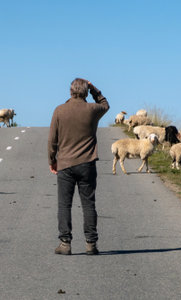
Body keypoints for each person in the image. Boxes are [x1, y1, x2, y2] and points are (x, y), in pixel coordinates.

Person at [47, 78, 109, 255]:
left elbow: (52, 139)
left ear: (70, 91)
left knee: (64, 204)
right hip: (87, 164)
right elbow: (105, 104)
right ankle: (91, 244)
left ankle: (65, 243)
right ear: (86, 92)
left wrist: (52, 160)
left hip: (65, 164)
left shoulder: (59, 110)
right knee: (88, 204)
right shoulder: (92, 110)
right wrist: (93, 88)